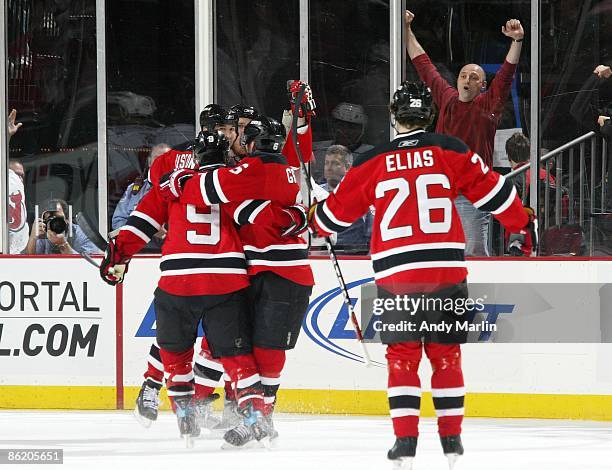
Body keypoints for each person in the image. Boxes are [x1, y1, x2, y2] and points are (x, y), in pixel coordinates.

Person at [309, 81, 535, 468]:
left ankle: (405, 443)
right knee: (446, 354)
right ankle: (451, 441)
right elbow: (494, 194)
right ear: (430, 114)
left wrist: (316, 218)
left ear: (395, 117)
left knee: (402, 356)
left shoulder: (372, 160)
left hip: (396, 274)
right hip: (444, 269)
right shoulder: (450, 149)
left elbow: (333, 217)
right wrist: (522, 221)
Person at [162, 115, 314, 445]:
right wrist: (294, 216)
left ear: (253, 143)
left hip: (280, 274)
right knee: (241, 347)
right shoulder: (286, 169)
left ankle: (261, 419)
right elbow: (298, 211)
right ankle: (243, 410)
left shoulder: (255, 169)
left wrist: (174, 182)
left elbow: (209, 192)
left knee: (264, 351)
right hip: (260, 272)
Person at [405, 10, 524, 256]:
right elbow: (424, 65)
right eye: (462, 75)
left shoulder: (488, 104)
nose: (466, 80)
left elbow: (505, 75)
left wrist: (517, 41)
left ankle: (479, 296)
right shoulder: (447, 99)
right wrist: (406, 29)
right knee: (441, 254)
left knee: (474, 255)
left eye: (473, 77)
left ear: (482, 85)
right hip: (439, 194)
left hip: (472, 197)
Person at [111, 143, 171, 248]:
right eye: (157, 158)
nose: (161, 162)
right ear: (149, 162)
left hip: (166, 253)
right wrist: (140, 228)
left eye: (166, 159)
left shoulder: (183, 191)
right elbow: (117, 221)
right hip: (135, 254)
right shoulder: (134, 190)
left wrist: (164, 234)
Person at [321, 145, 372, 249]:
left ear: (348, 167)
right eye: (327, 163)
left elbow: (370, 233)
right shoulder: (315, 192)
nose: (329, 168)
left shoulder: (361, 194)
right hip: (321, 252)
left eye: (335, 164)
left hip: (354, 255)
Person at [312, 102, 373, 182]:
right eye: (341, 125)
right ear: (334, 126)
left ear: (362, 130)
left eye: (352, 127)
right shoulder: (316, 151)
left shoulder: (371, 155)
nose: (345, 131)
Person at [25, 198, 100, 255]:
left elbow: (90, 264)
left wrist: (63, 244)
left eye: (57, 217)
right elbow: (30, 262)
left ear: (67, 219)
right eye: (49, 218)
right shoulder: (44, 231)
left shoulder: (82, 233)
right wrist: (33, 238)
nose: (53, 222)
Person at [7, 109, 28, 254]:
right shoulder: (5, 180)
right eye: (15, 174)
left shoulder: (20, 193)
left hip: (18, 253)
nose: (18, 178)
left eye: (21, 176)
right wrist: (6, 137)